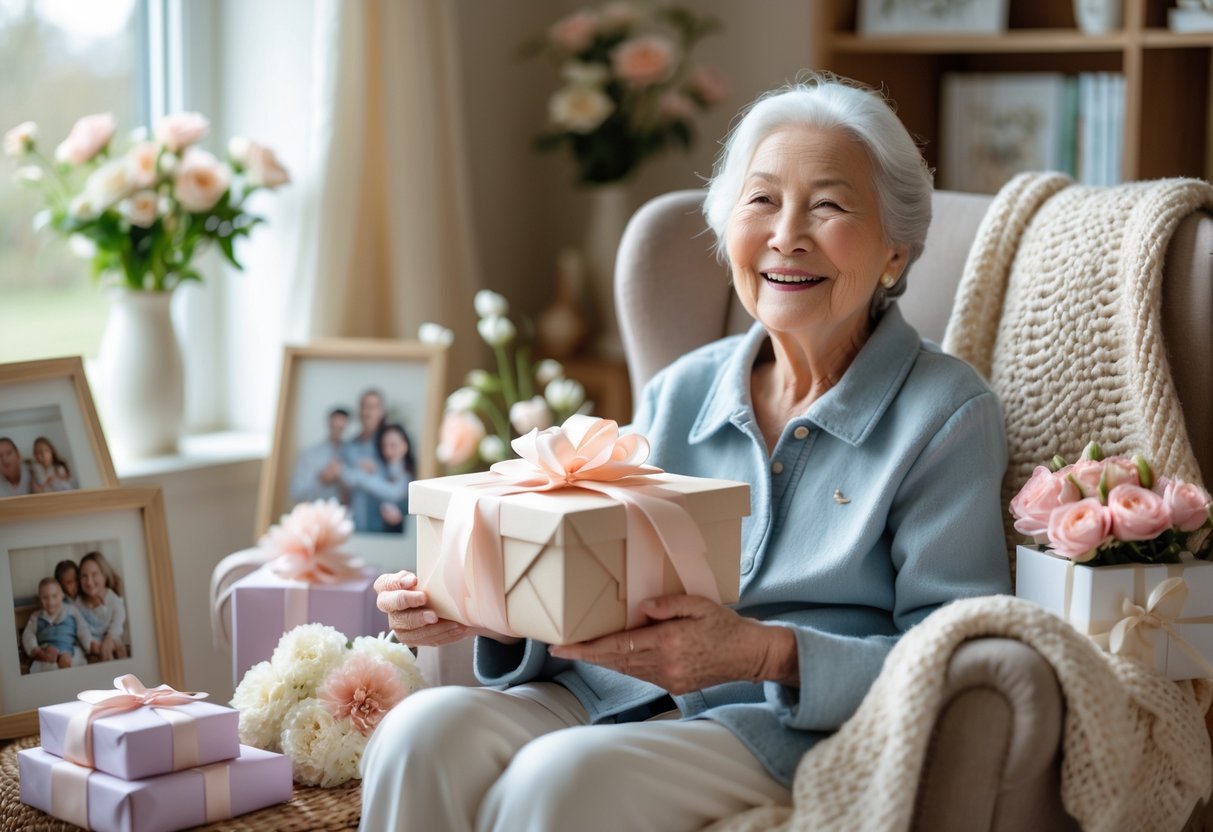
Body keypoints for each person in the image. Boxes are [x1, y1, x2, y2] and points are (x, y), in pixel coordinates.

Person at [361, 73, 1012, 832]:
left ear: (895, 252)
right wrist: (484, 609)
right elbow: (603, 585)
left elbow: (954, 653)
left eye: (828, 205)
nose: (785, 234)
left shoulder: (946, 414)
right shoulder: (682, 391)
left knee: (557, 779)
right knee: (417, 733)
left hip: (781, 727)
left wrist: (763, 654)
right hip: (611, 691)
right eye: (761, 199)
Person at [341, 423, 414, 534]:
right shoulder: (380, 468)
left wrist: (352, 472)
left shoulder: (409, 474)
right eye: (384, 446)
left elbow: (394, 493)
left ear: (404, 446)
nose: (388, 451)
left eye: (393, 445)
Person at [340, 388, 388, 531]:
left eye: (373, 407)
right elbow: (343, 486)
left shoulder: (390, 443)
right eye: (365, 406)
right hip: (355, 523)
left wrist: (376, 470)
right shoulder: (349, 446)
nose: (368, 412)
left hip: (386, 526)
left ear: (382, 411)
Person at [22, 577, 90, 672]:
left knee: (73, 665)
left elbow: (83, 629)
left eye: (54, 596)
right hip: (46, 655)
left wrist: (89, 645)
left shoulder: (71, 610)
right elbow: (28, 634)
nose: (50, 602)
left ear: (62, 595)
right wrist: (34, 649)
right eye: (45, 597)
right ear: (39, 598)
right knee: (45, 668)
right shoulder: (36, 616)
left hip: (68, 651)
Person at [288, 407, 350, 504]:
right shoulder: (309, 455)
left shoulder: (351, 455)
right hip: (314, 514)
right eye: (335, 426)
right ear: (329, 423)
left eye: (341, 427)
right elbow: (297, 493)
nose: (338, 430)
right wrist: (321, 480)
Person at [76, 551, 128, 662]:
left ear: (104, 575)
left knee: (116, 644)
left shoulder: (112, 598)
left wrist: (109, 639)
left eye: (94, 574)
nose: (89, 582)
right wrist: (90, 644)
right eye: (84, 576)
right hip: (90, 642)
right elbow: (81, 629)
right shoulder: (78, 603)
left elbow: (118, 622)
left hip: (110, 637)